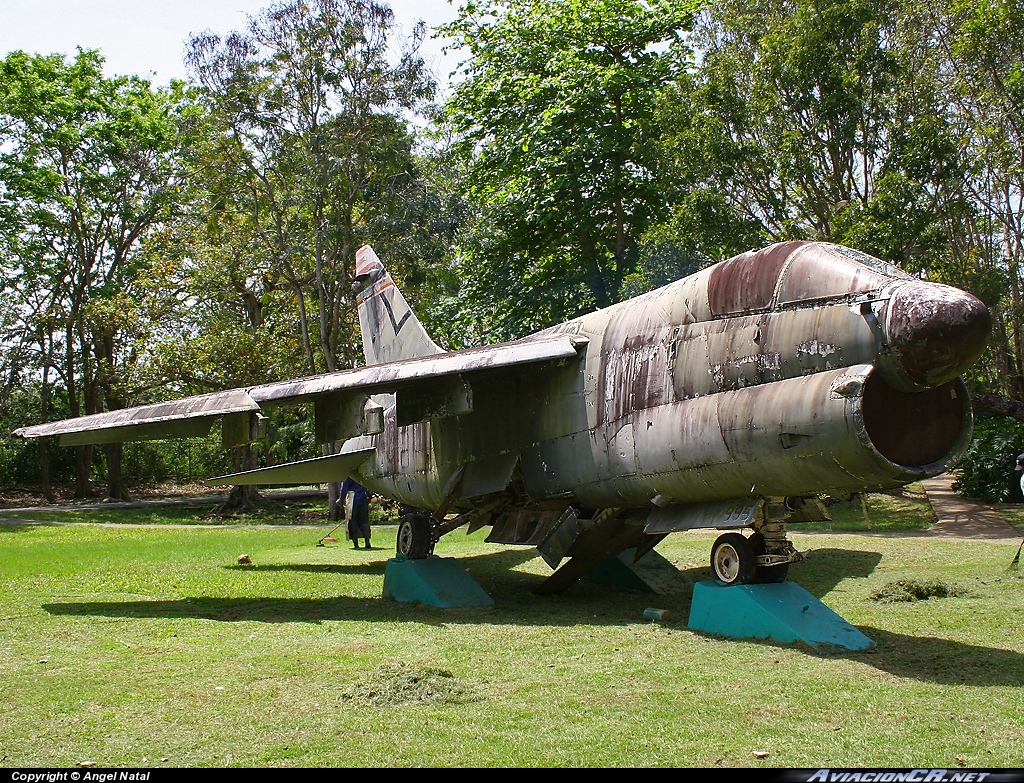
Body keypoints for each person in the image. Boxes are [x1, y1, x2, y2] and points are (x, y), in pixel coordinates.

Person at [340, 477, 371, 549]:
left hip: (353, 498)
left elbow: (344, 488)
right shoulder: (361, 474)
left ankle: (356, 543)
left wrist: (341, 499)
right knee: (364, 520)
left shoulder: (348, 475)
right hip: (363, 497)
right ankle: (367, 541)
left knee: (352, 521)